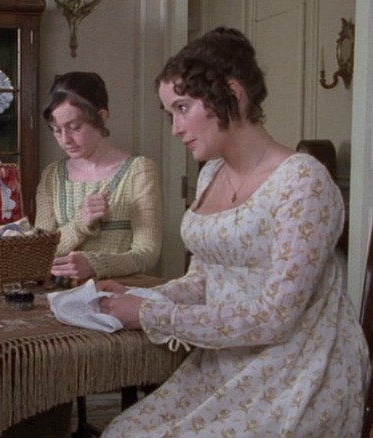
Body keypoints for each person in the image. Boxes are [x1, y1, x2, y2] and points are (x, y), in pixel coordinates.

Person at [98, 27, 369, 437]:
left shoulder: (303, 181)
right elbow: (206, 279)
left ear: (232, 93)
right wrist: (140, 296)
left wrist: (152, 313)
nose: (175, 128)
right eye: (170, 113)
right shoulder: (211, 174)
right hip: (226, 359)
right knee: (123, 432)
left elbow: (276, 317)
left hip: (298, 367)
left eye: (183, 108)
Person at [35, 71, 163, 283]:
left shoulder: (140, 171)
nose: (65, 139)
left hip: (119, 297)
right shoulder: (52, 176)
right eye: (56, 130)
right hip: (59, 297)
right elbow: (39, 253)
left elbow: (147, 254)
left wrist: (95, 265)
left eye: (75, 127)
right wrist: (80, 223)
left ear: (101, 117)